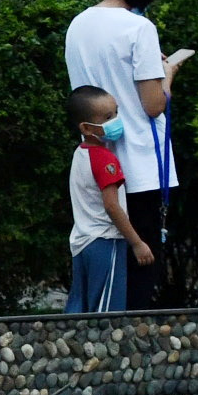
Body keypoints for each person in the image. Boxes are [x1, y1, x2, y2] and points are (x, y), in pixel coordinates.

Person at [64, 0, 195, 297]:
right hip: (137, 164)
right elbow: (153, 105)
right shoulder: (140, 28)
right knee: (141, 269)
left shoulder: (77, 25)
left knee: (107, 266)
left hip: (94, 161)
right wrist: (167, 73)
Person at [62, 85, 150, 313]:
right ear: (86, 127)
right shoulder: (104, 159)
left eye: (116, 113)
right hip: (106, 240)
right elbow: (112, 205)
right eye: (108, 117)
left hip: (82, 242)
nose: (116, 121)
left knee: (79, 309)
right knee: (106, 313)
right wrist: (137, 243)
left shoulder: (81, 154)